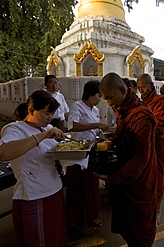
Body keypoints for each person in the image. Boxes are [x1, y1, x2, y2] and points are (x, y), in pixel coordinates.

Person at [0, 90, 68, 247]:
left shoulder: (46, 127)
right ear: (31, 110)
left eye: (52, 114)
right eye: (46, 113)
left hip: (54, 188)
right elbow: (3, 154)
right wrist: (41, 136)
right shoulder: (15, 129)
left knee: (55, 236)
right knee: (37, 239)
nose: (50, 118)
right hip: (34, 193)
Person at [97, 72, 158, 247]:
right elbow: (123, 135)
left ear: (122, 90)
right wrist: (112, 141)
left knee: (140, 228)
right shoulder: (125, 110)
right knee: (127, 224)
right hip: (126, 175)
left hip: (139, 180)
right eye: (105, 99)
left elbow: (141, 157)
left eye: (109, 97)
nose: (108, 103)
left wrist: (112, 178)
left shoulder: (141, 116)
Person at [63, 80, 109, 234]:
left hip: (91, 151)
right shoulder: (78, 106)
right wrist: (96, 125)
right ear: (89, 94)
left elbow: (94, 131)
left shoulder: (95, 110)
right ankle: (79, 222)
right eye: (98, 95)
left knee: (92, 187)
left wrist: (102, 134)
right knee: (80, 190)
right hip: (78, 152)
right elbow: (72, 125)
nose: (99, 98)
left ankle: (91, 215)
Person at [137, 73, 164, 226]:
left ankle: (157, 210)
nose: (142, 90)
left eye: (144, 86)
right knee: (143, 177)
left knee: (157, 177)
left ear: (152, 86)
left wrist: (141, 132)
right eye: (139, 88)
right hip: (143, 145)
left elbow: (159, 124)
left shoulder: (161, 101)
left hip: (156, 144)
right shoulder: (139, 102)